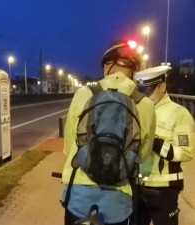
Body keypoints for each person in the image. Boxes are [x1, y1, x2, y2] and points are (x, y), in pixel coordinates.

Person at [61, 40, 156, 225]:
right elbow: (143, 155)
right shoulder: (145, 104)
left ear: (106, 67)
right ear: (134, 72)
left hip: (79, 196)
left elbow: (68, 147)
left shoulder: (83, 94)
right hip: (119, 201)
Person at [136, 65, 195, 225]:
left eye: (148, 91)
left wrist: (155, 143)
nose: (144, 96)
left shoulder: (180, 114)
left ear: (162, 86)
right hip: (137, 184)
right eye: (140, 91)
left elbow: (186, 152)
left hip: (164, 189)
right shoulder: (136, 111)